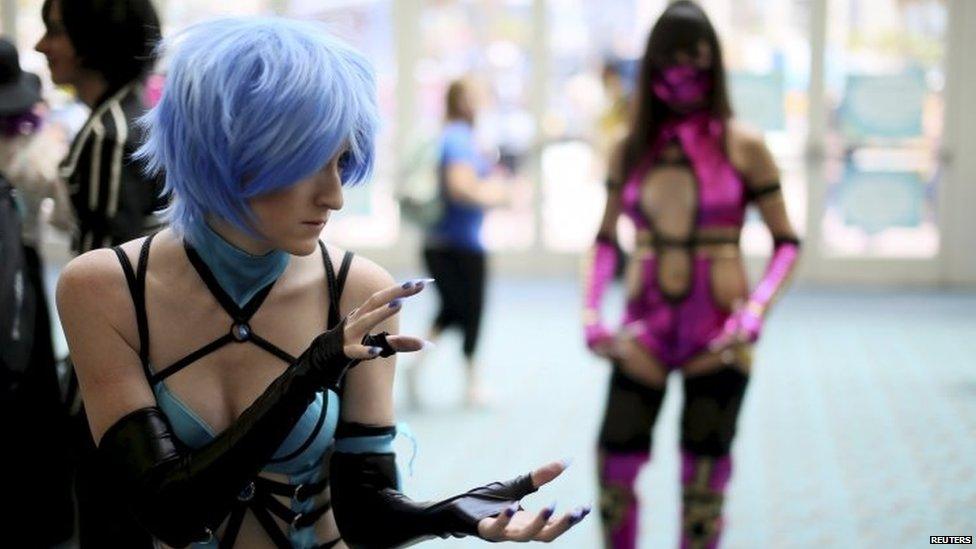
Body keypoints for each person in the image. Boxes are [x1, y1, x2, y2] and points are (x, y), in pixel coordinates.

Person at [56, 18, 589, 548]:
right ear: (229, 154)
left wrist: (447, 515)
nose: (334, 195)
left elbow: (363, 513)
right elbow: (169, 511)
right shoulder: (105, 289)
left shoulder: (356, 289)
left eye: (341, 161)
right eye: (309, 163)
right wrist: (311, 369)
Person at [582, 3, 801, 548]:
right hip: (643, 334)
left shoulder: (744, 146)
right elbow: (606, 239)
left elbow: (788, 243)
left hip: (721, 333)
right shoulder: (628, 148)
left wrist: (755, 314)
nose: (681, 74)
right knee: (615, 470)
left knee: (703, 482)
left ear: (714, 67)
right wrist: (591, 315)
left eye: (694, 61)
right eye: (669, 61)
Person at [0, 36, 75, 545]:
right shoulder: (39, 141)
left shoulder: (40, 141)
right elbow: (68, 219)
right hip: (20, 266)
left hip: (19, 266)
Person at [410, 79, 512, 408]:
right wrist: (498, 195)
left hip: (451, 243)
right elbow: (460, 188)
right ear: (463, 101)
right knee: (468, 312)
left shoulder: (459, 137)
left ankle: (419, 367)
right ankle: (470, 382)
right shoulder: (457, 138)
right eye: (476, 97)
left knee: (454, 311)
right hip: (456, 245)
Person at [36, 0, 162, 255]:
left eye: (56, 31)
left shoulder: (109, 134)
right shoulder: (128, 112)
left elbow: (108, 265)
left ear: (97, 37)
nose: (40, 46)